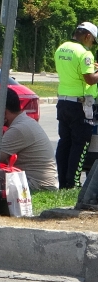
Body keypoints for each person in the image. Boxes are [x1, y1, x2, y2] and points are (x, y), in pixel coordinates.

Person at [0, 87, 58, 191]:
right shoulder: (24, 122)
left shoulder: (18, 129)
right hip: (42, 182)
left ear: (4, 113)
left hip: (39, 185)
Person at [53, 22, 98, 189]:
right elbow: (89, 79)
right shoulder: (85, 53)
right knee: (80, 143)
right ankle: (73, 182)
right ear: (87, 36)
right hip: (80, 105)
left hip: (63, 102)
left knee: (65, 142)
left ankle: (63, 182)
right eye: (93, 41)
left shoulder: (61, 48)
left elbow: (73, 71)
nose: (92, 45)